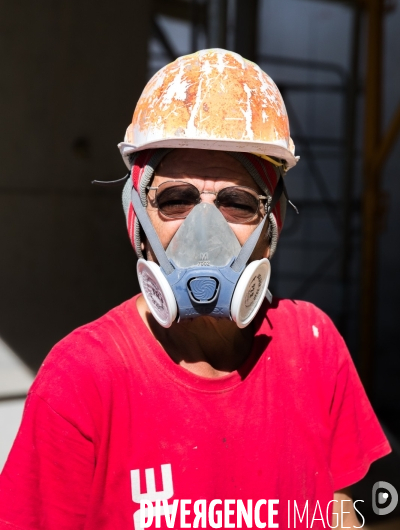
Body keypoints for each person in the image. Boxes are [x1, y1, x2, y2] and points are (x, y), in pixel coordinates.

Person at [0, 49, 391, 529]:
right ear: (137, 221)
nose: (205, 232)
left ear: (273, 227)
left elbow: (341, 514)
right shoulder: (80, 382)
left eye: (237, 204)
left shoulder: (313, 350)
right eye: (175, 199)